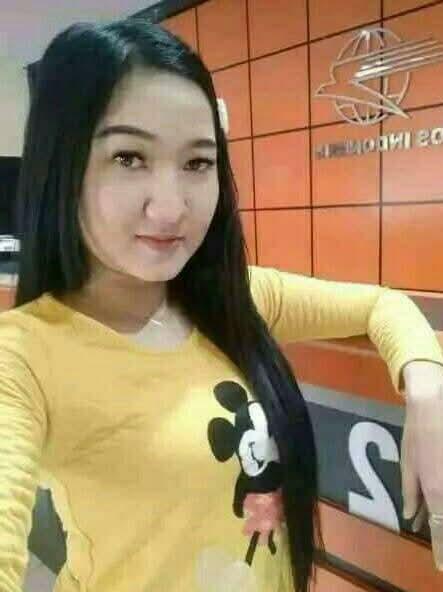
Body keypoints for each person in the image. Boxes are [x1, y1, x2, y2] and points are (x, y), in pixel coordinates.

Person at [1, 17, 443, 592]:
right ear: (62, 168)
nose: (171, 208)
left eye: (197, 163)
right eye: (128, 157)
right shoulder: (23, 356)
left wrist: (428, 389)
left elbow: (381, 306)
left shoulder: (234, 298)